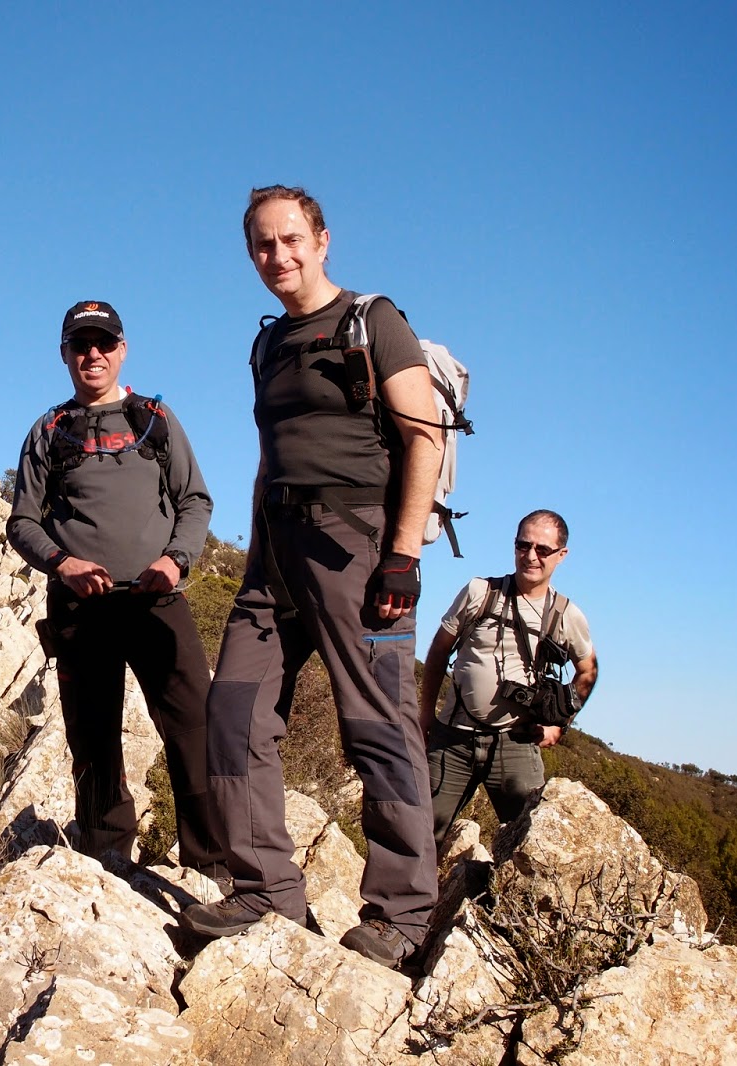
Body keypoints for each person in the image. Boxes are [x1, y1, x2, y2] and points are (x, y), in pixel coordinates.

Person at [182, 186, 444, 971]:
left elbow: (424, 436)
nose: (278, 256)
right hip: (276, 550)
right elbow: (270, 457)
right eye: (263, 244)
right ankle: (266, 890)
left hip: (356, 544)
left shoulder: (373, 320)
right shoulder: (268, 344)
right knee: (233, 710)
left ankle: (403, 915)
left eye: (291, 239)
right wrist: (257, 548)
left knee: (378, 724)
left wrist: (403, 555)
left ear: (323, 240)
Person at [7, 300, 224, 877]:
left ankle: (211, 862)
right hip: (82, 608)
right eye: (80, 345)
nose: (93, 354)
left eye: (103, 343)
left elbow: (195, 500)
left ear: (122, 350)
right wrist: (63, 563)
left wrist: (177, 560)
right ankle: (107, 857)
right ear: (64, 355)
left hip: (157, 599)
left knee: (195, 727)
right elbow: (22, 522)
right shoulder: (49, 430)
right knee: (92, 733)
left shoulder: (154, 418)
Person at [419, 510, 598, 841]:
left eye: (542, 549)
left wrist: (559, 724)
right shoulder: (480, 592)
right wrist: (426, 713)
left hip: (516, 743)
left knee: (528, 842)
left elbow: (587, 670)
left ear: (561, 555)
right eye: (523, 545)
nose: (530, 556)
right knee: (420, 836)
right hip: (453, 737)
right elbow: (439, 651)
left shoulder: (565, 614)